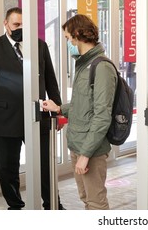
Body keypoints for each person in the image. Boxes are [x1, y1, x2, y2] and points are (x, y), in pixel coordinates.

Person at [0, 7, 65, 210]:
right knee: (8, 168)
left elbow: (51, 81)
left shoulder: (39, 46)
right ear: (5, 24)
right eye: (16, 25)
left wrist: (57, 110)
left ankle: (53, 205)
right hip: (4, 118)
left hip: (39, 116)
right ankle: (15, 207)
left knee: (45, 165)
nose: (20, 29)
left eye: (24, 25)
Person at [42, 14, 116, 210]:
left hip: (90, 150)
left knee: (96, 203)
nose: (67, 43)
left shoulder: (101, 67)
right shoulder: (84, 65)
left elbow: (102, 115)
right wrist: (58, 108)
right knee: (86, 199)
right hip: (78, 145)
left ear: (77, 35)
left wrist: (85, 154)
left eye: (67, 39)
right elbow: (83, 104)